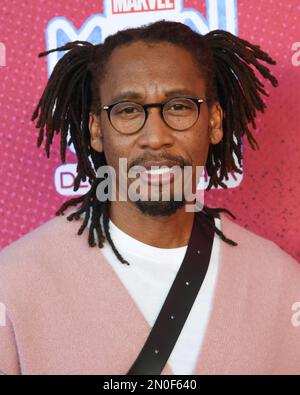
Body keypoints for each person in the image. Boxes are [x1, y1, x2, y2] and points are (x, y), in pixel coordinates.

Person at [0, 20, 299, 375]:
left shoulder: (280, 282)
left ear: (214, 122)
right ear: (97, 130)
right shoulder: (15, 282)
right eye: (128, 111)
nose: (155, 137)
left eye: (179, 107)